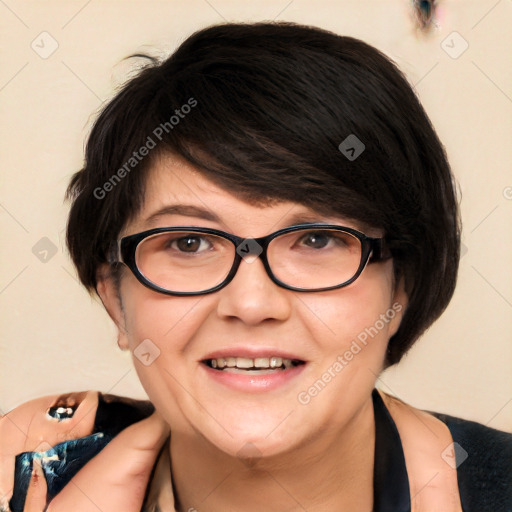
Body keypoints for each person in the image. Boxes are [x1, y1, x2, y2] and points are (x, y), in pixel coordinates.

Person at [1, 21, 510, 512]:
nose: (251, 303)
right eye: (191, 242)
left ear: (401, 289)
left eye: (316, 239)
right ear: (115, 296)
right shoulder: (25, 471)